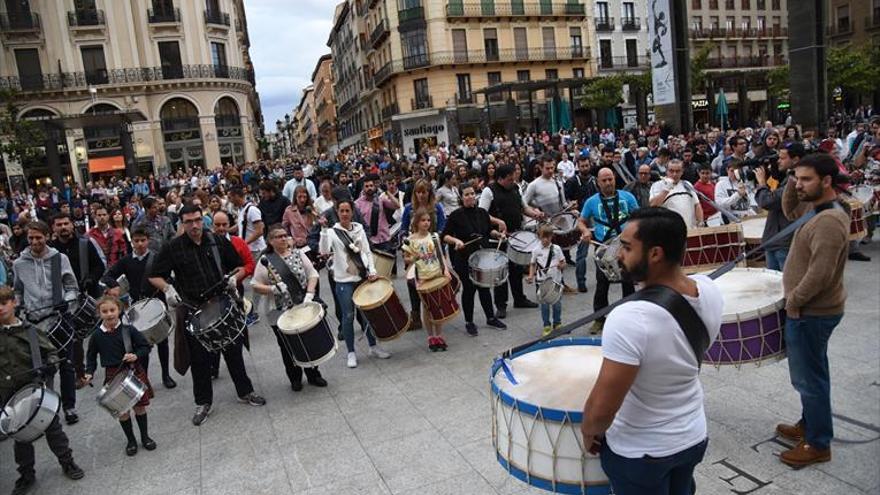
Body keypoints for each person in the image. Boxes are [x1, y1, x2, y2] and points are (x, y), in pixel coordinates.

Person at [581, 207, 723, 495]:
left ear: (655, 253)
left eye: (626, 247)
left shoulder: (630, 318)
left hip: (641, 453)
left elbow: (603, 408)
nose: (619, 254)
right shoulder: (709, 290)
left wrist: (587, 431)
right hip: (692, 435)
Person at [148, 204, 265, 427]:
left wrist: (234, 278)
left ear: (203, 220)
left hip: (222, 304)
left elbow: (240, 266)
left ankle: (245, 391)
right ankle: (203, 402)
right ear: (182, 223)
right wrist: (167, 289)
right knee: (199, 361)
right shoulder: (173, 247)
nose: (194, 225)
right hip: (194, 309)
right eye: (189, 221)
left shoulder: (217, 240)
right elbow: (154, 276)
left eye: (197, 220)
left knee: (234, 351)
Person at [775, 153, 850, 467]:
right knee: (813, 373)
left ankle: (818, 443)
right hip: (810, 311)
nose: (799, 185)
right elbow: (791, 210)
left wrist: (794, 302)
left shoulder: (829, 221)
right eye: (797, 178)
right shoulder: (817, 207)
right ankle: (810, 424)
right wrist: (792, 178)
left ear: (827, 181)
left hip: (812, 312)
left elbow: (820, 274)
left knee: (809, 379)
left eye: (806, 179)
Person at [0, 286, 85, 494]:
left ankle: (67, 461)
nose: (0, 308)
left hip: (34, 389)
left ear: (14, 303)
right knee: (20, 435)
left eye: (3, 303)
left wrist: (50, 364)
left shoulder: (30, 331)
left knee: (52, 428)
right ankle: (26, 474)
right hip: (8, 392)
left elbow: (51, 352)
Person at [251, 224, 328, 391]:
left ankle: (313, 374)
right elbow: (255, 285)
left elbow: (313, 274)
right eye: (279, 236)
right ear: (270, 241)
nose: (284, 238)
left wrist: (309, 292)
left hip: (301, 305)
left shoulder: (298, 254)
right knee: (286, 345)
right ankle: (294, 377)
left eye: (285, 235)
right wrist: (272, 289)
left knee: (307, 340)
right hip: (279, 311)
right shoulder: (265, 261)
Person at [100, 227, 177, 389]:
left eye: (143, 240)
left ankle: (166, 375)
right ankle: (144, 377)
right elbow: (108, 275)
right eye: (136, 241)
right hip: (137, 308)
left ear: (148, 240)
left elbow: (169, 276)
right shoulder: (126, 261)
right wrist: (113, 285)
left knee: (162, 341)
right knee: (143, 345)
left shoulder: (156, 258)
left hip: (156, 303)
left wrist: (168, 285)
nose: (140, 244)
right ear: (132, 242)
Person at [319, 199, 391, 368]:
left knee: (368, 314)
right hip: (343, 281)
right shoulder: (331, 232)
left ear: (352, 212)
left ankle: (373, 346)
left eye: (347, 211)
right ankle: (351, 352)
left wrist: (372, 270)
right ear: (337, 212)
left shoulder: (359, 228)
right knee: (348, 316)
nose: (344, 214)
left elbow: (366, 251)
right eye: (341, 210)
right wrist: (323, 229)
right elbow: (323, 251)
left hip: (362, 278)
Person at [83, 296, 156, 456]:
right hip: (113, 374)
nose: (109, 314)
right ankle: (131, 440)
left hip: (132, 370)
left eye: (112, 310)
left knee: (139, 407)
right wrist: (89, 372)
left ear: (119, 310)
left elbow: (145, 346)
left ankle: (145, 437)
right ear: (99, 313)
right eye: (104, 311)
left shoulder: (128, 330)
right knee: (122, 411)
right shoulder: (96, 336)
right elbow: (91, 356)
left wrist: (136, 355)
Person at [578, 168, 639, 334]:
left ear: (614, 179)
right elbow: (581, 221)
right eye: (604, 180)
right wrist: (585, 231)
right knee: (602, 283)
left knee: (628, 282)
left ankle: (629, 318)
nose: (608, 183)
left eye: (610, 179)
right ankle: (599, 319)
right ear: (598, 182)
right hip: (603, 246)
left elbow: (639, 218)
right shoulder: (591, 202)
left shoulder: (628, 197)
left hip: (625, 245)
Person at [442, 182, 506, 336]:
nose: (470, 197)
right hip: (463, 258)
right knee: (469, 289)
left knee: (484, 287)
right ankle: (469, 322)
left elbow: (487, 230)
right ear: (461, 197)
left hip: (480, 256)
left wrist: (496, 234)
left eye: (472, 194)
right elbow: (445, 235)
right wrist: (456, 241)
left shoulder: (482, 213)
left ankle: (490, 317)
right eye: (467, 194)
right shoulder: (456, 215)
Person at [479, 165, 541, 318]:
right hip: (497, 238)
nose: (512, 181)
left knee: (516, 269)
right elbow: (481, 214)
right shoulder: (489, 191)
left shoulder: (515, 188)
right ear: (500, 179)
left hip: (516, 234)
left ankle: (519, 298)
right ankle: (501, 305)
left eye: (513, 178)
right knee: (500, 272)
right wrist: (497, 221)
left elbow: (523, 208)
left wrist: (535, 214)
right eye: (509, 179)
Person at [403, 208, 455, 351]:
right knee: (426, 307)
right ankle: (430, 337)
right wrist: (413, 258)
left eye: (428, 220)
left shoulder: (434, 237)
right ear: (417, 222)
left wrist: (446, 270)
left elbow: (440, 255)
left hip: (436, 274)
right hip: (422, 277)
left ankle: (439, 335)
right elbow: (405, 258)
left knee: (438, 306)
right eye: (423, 220)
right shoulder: (410, 240)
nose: (426, 223)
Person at [399, 179, 446, 330]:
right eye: (418, 192)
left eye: (424, 192)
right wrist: (406, 243)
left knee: (434, 281)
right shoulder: (409, 208)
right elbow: (403, 229)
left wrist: (432, 240)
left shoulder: (437, 207)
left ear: (429, 193)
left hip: (432, 251)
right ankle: (416, 315)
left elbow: (442, 227)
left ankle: (436, 311)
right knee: (413, 283)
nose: (421, 195)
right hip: (414, 251)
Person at [753, 143, 805, 270]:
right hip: (777, 239)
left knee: (785, 285)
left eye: (782, 158)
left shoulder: (797, 180)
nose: (778, 161)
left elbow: (768, 202)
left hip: (784, 241)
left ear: (795, 160)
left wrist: (761, 183)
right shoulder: (789, 176)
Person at [566, 155, 600, 292]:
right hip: (581, 220)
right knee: (582, 253)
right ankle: (581, 281)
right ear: (577, 166)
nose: (585, 168)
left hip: (596, 218)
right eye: (582, 166)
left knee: (600, 250)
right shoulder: (572, 182)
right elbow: (566, 199)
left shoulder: (594, 180)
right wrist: (571, 205)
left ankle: (603, 276)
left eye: (587, 165)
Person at [526, 224, 565, 336]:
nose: (546, 239)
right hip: (541, 282)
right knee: (544, 305)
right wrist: (530, 276)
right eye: (543, 237)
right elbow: (533, 265)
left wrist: (560, 266)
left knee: (557, 303)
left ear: (552, 236)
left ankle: (557, 323)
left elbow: (563, 263)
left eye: (548, 237)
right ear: (539, 237)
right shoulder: (536, 250)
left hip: (556, 280)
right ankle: (546, 325)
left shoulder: (557, 249)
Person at [649, 159, 703, 228]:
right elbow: (653, 205)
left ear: (682, 172)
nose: (674, 174)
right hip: (669, 230)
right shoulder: (657, 185)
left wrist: (700, 222)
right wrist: (666, 190)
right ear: (666, 171)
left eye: (677, 171)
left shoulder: (687, 184)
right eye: (671, 171)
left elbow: (697, 205)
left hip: (690, 229)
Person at [354, 173, 400, 253]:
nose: (369, 188)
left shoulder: (380, 199)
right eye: (367, 186)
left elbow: (397, 205)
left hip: (384, 239)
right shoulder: (357, 204)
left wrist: (387, 192)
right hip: (369, 241)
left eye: (371, 186)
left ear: (374, 187)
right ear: (363, 188)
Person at [228, 186, 266, 263]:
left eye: (230, 197)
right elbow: (240, 225)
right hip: (249, 249)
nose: (230, 201)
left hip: (256, 250)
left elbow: (259, 231)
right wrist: (226, 230)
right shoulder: (241, 210)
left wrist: (243, 244)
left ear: (236, 196)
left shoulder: (252, 210)